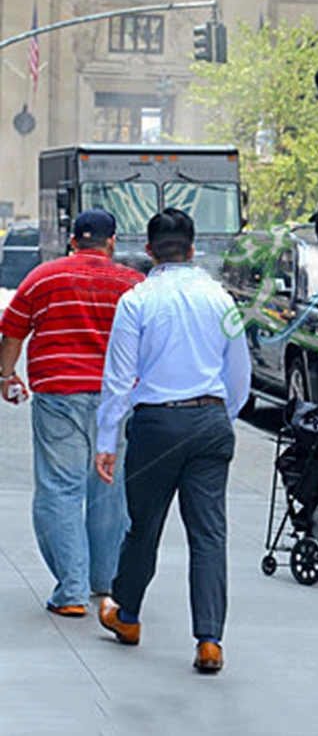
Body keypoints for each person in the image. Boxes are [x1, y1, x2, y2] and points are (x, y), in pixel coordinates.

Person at [94, 208, 251, 674]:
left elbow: (119, 380)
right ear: (193, 248)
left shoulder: (137, 300)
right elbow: (239, 376)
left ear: (148, 251)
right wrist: (221, 417)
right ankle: (209, 640)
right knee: (209, 535)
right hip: (209, 422)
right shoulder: (220, 299)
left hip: (156, 426)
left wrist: (106, 438)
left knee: (143, 527)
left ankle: (127, 614)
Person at [0, 209, 143, 617]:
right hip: (116, 402)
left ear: (72, 240)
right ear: (111, 241)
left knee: (60, 489)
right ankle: (105, 580)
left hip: (59, 396)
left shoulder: (44, 276)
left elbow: (12, 331)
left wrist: (7, 377)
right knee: (109, 490)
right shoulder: (132, 283)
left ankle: (72, 591)